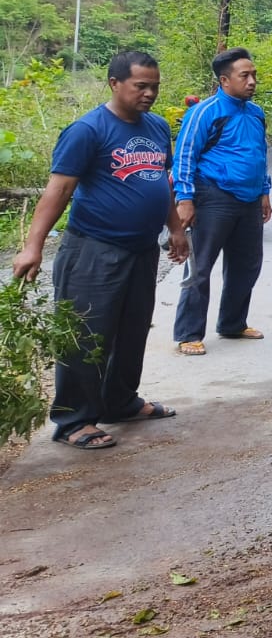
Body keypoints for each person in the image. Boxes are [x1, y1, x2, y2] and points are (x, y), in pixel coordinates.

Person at [10, 51, 190, 450]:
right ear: (114, 83)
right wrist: (32, 247)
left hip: (142, 250)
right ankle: (74, 420)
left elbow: (161, 180)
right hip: (93, 250)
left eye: (154, 86)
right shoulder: (88, 130)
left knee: (131, 331)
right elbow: (59, 190)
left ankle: (120, 402)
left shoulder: (158, 127)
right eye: (140, 86)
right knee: (86, 336)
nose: (149, 94)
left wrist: (175, 227)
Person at [170, 47, 272, 354]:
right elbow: (184, 155)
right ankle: (189, 333)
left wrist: (264, 192)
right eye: (245, 76)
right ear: (225, 80)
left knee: (247, 265)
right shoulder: (205, 111)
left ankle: (233, 323)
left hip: (250, 199)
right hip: (212, 196)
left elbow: (259, 154)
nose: (252, 81)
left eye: (254, 74)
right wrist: (184, 199)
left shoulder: (255, 113)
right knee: (200, 267)